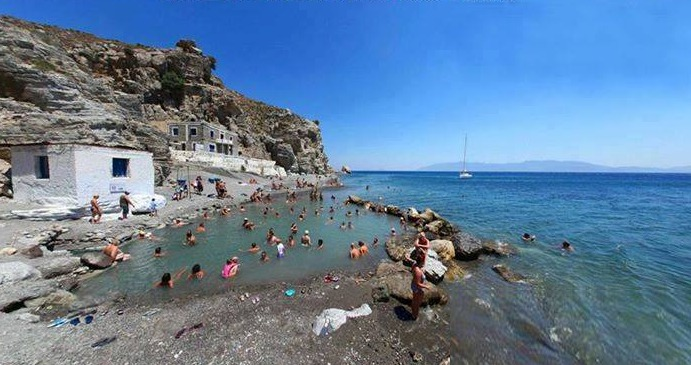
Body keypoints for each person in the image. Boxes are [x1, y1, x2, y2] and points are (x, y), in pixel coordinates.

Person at [410, 254, 430, 320]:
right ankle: (414, 316)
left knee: (414, 300)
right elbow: (418, 283)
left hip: (414, 285)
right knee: (417, 303)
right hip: (417, 288)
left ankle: (413, 313)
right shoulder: (418, 271)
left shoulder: (415, 264)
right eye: (424, 261)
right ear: (421, 262)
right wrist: (426, 286)